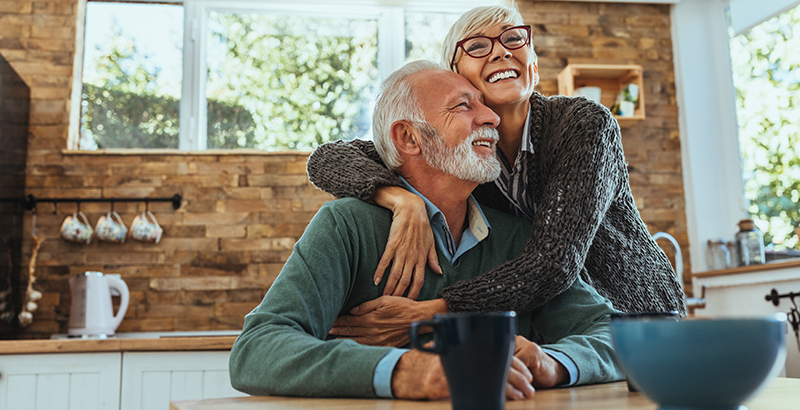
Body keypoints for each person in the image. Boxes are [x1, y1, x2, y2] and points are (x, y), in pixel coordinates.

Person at [229, 61, 624, 400]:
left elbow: (614, 335)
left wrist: (551, 361)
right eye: (464, 106)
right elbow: (257, 350)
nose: (491, 118)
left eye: (484, 106)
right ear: (408, 137)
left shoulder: (518, 239)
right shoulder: (346, 226)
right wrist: (405, 371)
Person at [306, 4, 685, 344]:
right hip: (545, 334)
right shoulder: (460, 154)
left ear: (533, 63)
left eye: (514, 39)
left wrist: (434, 311)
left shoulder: (584, 125)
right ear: (456, 76)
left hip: (634, 319)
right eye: (477, 46)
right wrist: (400, 198)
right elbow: (328, 158)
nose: (501, 50)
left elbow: (553, 262)